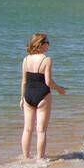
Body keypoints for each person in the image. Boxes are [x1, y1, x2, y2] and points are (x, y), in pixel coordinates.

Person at [20, 32, 66, 161]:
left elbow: (24, 81)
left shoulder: (26, 59)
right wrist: (59, 89)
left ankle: (25, 158)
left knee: (27, 129)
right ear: (41, 44)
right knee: (41, 130)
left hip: (28, 94)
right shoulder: (47, 60)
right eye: (47, 43)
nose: (49, 45)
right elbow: (48, 82)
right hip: (42, 94)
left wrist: (22, 98)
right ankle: (40, 160)